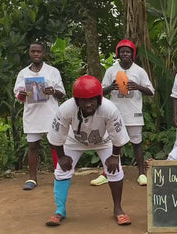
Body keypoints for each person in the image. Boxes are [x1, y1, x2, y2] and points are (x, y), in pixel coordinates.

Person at [45, 75, 131, 226]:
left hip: (103, 140)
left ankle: (118, 209)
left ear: (100, 98)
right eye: (84, 100)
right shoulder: (66, 109)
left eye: (93, 99)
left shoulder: (110, 109)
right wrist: (61, 156)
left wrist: (115, 156)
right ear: (77, 100)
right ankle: (60, 211)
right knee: (61, 170)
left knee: (115, 170)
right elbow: (56, 137)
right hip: (75, 141)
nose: (89, 104)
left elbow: (117, 136)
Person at [92, 39, 155, 187]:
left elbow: (151, 91)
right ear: (118, 54)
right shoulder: (111, 70)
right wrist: (111, 87)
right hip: (115, 113)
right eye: (122, 51)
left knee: (136, 143)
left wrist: (138, 86)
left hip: (134, 113)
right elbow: (99, 91)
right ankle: (108, 172)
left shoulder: (139, 71)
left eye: (128, 52)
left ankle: (141, 173)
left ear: (133, 54)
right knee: (112, 142)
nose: (125, 54)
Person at [14, 41, 66, 190]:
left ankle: (59, 174)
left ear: (43, 53)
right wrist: (22, 95)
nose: (36, 54)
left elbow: (62, 93)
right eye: (33, 51)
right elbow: (17, 94)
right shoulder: (23, 73)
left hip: (50, 113)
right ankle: (32, 178)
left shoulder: (52, 71)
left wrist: (53, 91)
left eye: (39, 51)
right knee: (32, 146)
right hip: (32, 114)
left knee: (55, 144)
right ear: (29, 53)